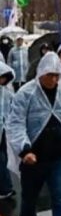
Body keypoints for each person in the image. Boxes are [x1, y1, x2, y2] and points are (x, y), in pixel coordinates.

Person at [7, 53, 61, 216]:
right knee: (29, 201)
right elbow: (15, 123)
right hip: (34, 160)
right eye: (50, 75)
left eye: (57, 75)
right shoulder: (26, 93)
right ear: (41, 73)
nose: (54, 79)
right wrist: (25, 150)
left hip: (57, 159)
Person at [0, 62, 15, 199]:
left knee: (2, 159)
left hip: (4, 130)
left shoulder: (7, 91)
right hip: (4, 129)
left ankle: (5, 187)